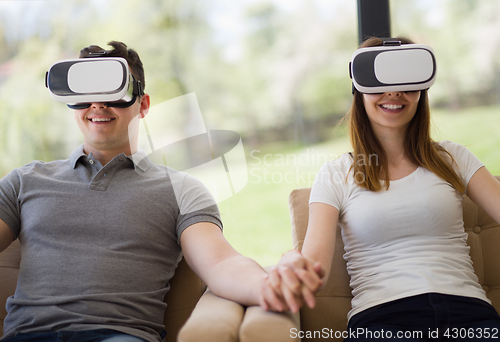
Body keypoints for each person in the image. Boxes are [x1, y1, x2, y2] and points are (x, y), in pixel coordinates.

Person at [0, 41, 322, 342]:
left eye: (113, 89)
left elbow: (221, 263)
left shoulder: (181, 190)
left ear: (143, 104)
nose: (97, 103)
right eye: (86, 92)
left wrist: (268, 283)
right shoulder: (24, 181)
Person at [268, 36, 500, 341]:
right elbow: (314, 265)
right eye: (381, 82)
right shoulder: (336, 174)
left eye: (406, 81)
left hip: (468, 315)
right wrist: (290, 265)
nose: (394, 93)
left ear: (422, 89)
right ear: (359, 89)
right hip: (382, 319)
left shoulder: (453, 158)